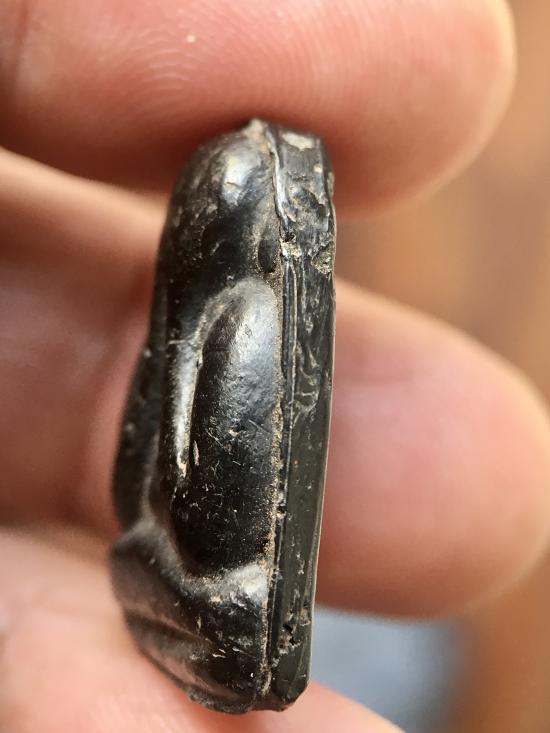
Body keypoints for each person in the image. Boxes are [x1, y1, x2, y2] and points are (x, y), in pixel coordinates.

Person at [1, 1, 549, 731]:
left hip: (210, 574)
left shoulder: (247, 314)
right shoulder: (226, 304)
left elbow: (168, 448)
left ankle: (377, 652)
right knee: (381, 653)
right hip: (200, 568)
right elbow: (156, 436)